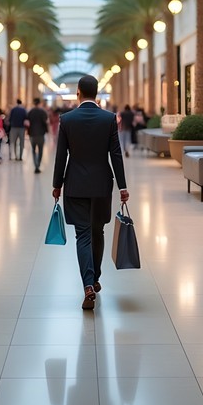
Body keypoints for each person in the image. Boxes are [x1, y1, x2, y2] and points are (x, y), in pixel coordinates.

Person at [51, 75, 129, 311]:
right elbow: (115, 154)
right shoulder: (108, 119)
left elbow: (61, 155)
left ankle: (87, 284)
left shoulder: (67, 119)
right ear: (96, 93)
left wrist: (57, 184)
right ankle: (95, 278)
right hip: (102, 185)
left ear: (78, 93)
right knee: (98, 232)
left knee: (82, 235)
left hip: (75, 184)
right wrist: (122, 186)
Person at [26, 97, 50, 173]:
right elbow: (45, 122)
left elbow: (27, 122)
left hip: (32, 134)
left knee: (33, 150)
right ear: (39, 103)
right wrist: (47, 131)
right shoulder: (43, 112)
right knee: (40, 150)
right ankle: (38, 165)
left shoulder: (30, 112)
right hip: (41, 133)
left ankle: (35, 165)